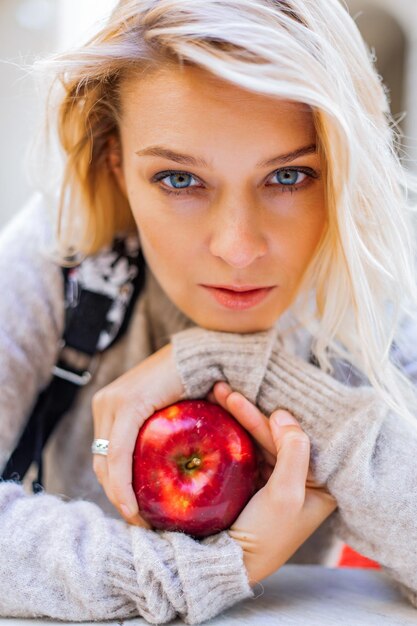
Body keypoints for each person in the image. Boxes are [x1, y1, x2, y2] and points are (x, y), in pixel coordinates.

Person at [1, 0, 417, 622]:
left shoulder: (370, 305)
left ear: (341, 171)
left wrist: (227, 361)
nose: (239, 248)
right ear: (116, 164)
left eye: (289, 176)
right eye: (178, 179)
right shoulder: (70, 262)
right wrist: (214, 567)